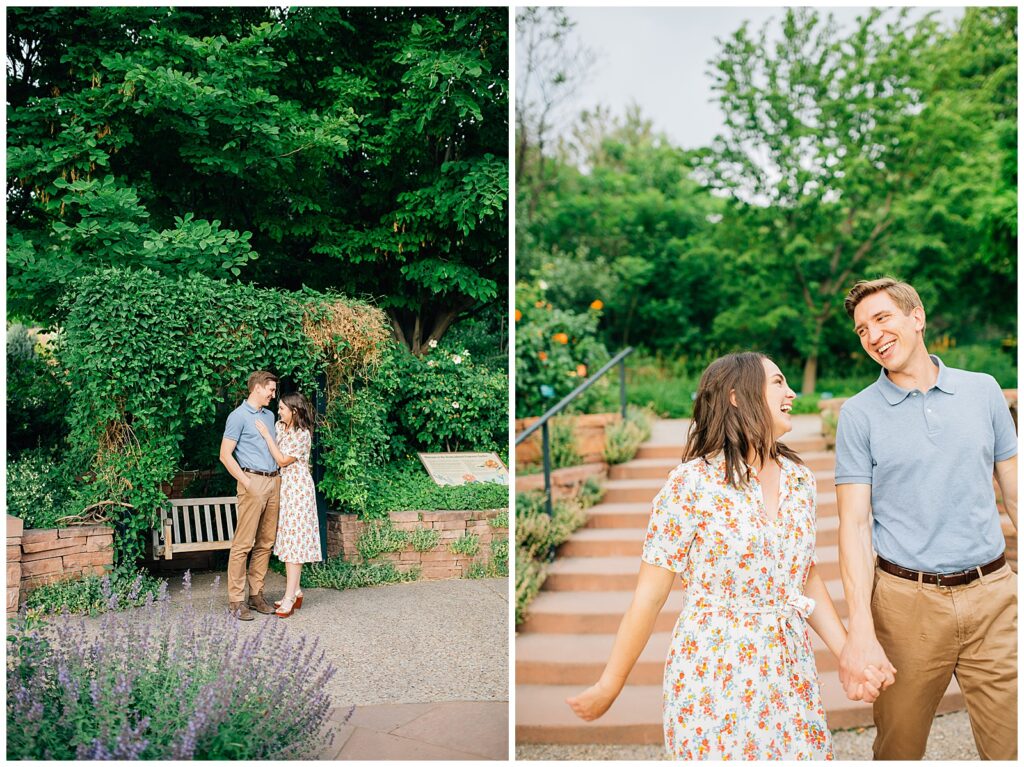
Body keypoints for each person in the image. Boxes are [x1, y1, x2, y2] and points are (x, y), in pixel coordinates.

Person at [567, 352, 888, 760]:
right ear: (737, 396)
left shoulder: (800, 480)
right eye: (777, 382)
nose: (791, 393)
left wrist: (850, 655)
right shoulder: (691, 485)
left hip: (789, 668)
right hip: (714, 670)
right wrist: (610, 684)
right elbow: (647, 600)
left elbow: (802, 578)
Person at [835, 277, 1017, 760]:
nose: (872, 336)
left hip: (994, 595)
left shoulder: (984, 391)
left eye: (881, 319)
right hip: (904, 607)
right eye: (861, 331)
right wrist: (860, 629)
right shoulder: (859, 415)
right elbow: (853, 528)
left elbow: (1016, 494)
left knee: (1012, 744)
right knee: (898, 747)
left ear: (916, 318)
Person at [219, 370, 281, 621]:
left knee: (266, 542)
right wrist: (246, 482)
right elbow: (225, 455)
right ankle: (235, 600)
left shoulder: (269, 416)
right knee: (243, 544)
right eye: (271, 390)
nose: (273, 395)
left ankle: (256, 595)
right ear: (257, 388)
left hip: (274, 481)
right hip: (251, 481)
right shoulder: (238, 417)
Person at [254, 391, 322, 617]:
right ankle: (296, 590)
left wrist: (267, 436)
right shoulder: (279, 426)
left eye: (282, 408)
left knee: (295, 543)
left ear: (294, 411)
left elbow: (282, 459)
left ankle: (290, 596)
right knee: (288, 540)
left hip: (298, 490)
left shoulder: (302, 434)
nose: (278, 411)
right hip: (285, 487)